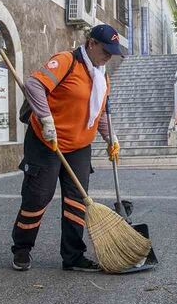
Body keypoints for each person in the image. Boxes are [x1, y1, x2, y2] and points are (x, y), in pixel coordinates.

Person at [10, 24, 123, 272]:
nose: (108, 57)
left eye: (112, 53)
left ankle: (73, 256)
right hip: (46, 142)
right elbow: (34, 86)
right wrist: (47, 119)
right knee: (38, 197)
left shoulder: (101, 76)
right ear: (91, 43)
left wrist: (110, 137)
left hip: (80, 146)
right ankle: (22, 249)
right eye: (106, 51)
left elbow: (99, 112)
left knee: (77, 201)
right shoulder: (66, 61)